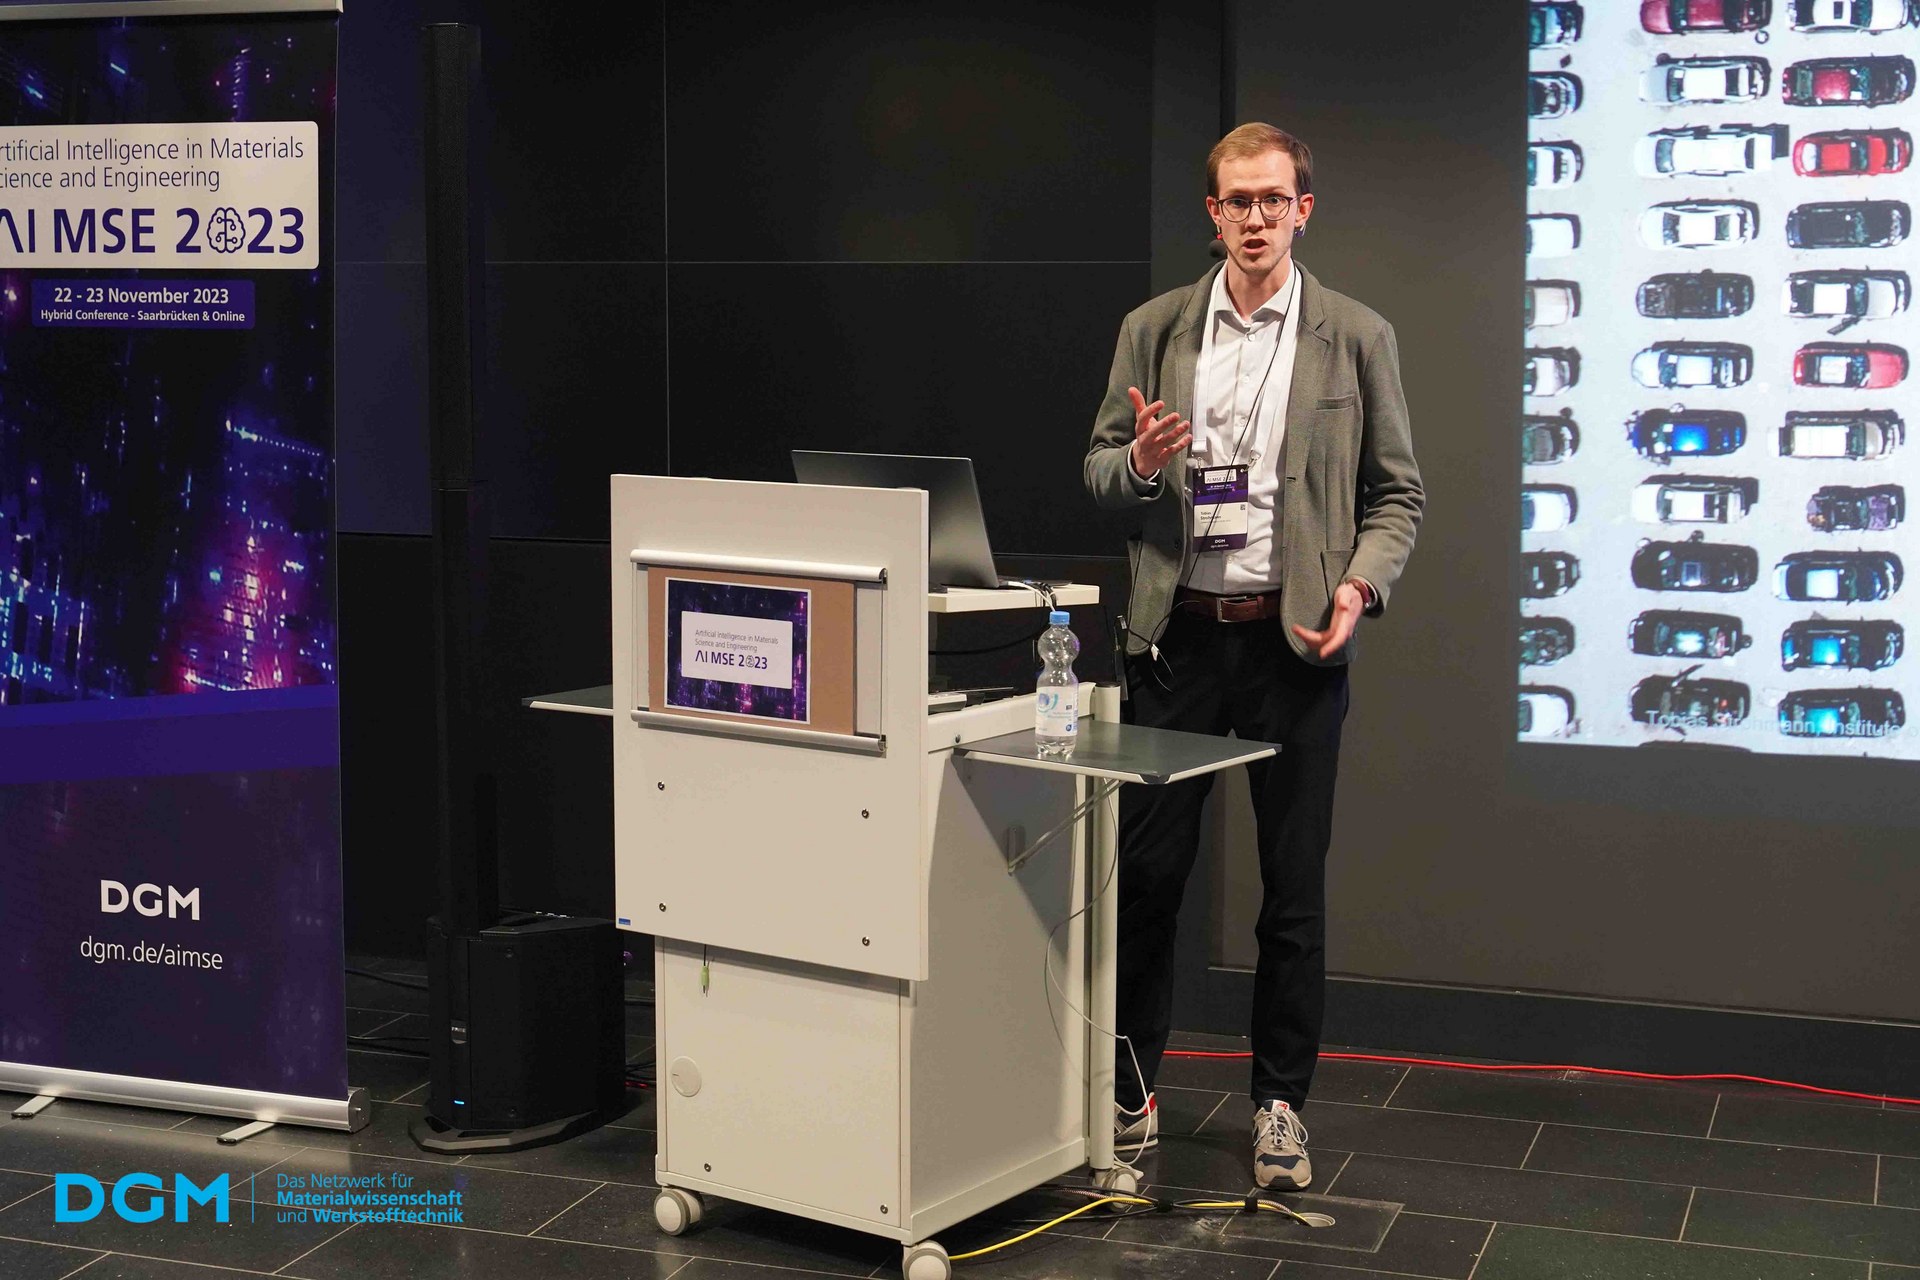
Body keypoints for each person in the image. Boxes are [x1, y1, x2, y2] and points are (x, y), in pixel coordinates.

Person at [1082, 122, 1423, 1190]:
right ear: (1214, 212)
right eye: (1239, 200)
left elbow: (1397, 495)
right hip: (1176, 639)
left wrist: (1358, 587)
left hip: (1294, 646)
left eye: (1275, 199)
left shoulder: (1355, 335)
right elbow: (1099, 471)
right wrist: (1141, 463)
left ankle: (1279, 1106)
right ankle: (1129, 1095)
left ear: (1303, 209)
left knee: (1291, 890)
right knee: (1147, 880)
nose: (1258, 218)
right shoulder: (1154, 330)